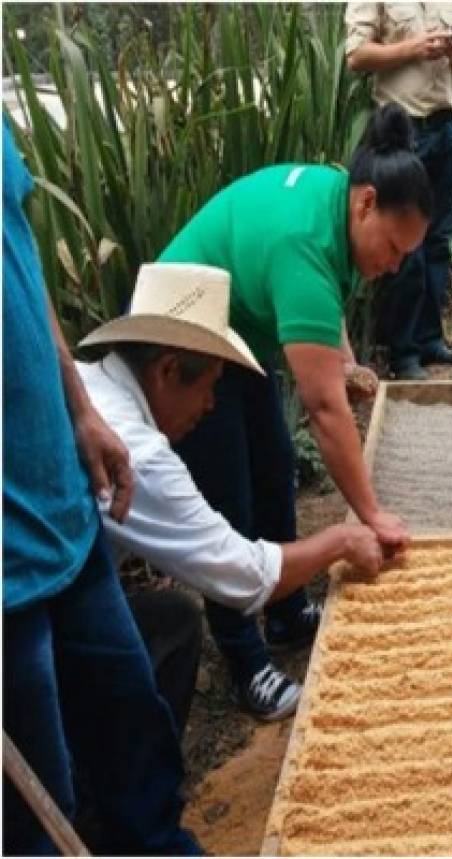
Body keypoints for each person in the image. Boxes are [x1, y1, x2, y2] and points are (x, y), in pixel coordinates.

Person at [156, 104, 428, 720]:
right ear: (366, 204)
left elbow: (323, 298)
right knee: (231, 495)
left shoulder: (339, 203)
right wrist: (372, 514)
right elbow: (325, 409)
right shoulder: (305, 239)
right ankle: (246, 659)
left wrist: (346, 357)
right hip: (185, 334)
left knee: (275, 464)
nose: (394, 264)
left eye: (407, 254)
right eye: (392, 246)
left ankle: (282, 611)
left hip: (237, 324)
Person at [2, 118, 200, 855]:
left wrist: (78, 408)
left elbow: (19, 259)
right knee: (36, 803)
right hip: (4, 570)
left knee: (129, 713)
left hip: (56, 491)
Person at [75, 263, 388, 720]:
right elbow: (242, 575)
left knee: (168, 617)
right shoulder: (135, 453)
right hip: (24, 613)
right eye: (207, 386)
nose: (210, 404)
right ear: (167, 370)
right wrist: (341, 541)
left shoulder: (91, 383)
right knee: (166, 625)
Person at [345, 2, 452, 381]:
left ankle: (430, 340)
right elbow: (357, 56)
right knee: (404, 245)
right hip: (404, 131)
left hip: (445, 125)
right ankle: (403, 354)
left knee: (437, 239)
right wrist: (413, 48)